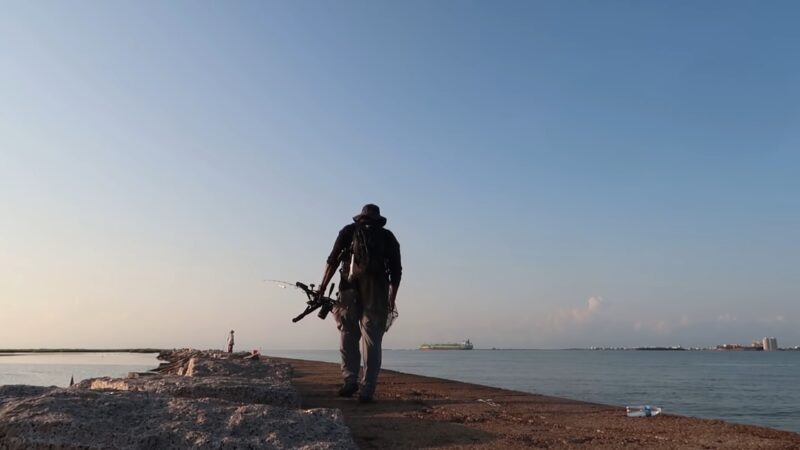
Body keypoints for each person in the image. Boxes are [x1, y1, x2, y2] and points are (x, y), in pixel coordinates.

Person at [317, 204, 401, 403]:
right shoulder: (388, 237)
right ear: (379, 219)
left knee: (348, 332)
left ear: (360, 218)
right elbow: (396, 272)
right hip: (377, 291)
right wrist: (391, 298)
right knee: (372, 340)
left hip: (348, 288)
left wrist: (322, 286)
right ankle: (367, 389)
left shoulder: (348, 231)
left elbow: (332, 261)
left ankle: (349, 379)